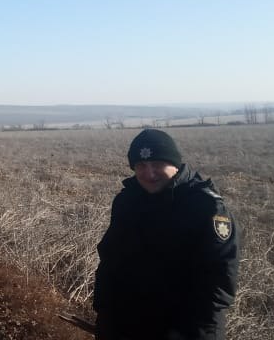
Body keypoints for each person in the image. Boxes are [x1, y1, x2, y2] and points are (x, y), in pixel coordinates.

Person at [93, 129, 239, 340]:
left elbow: (218, 284)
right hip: (125, 325)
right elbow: (110, 258)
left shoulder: (206, 207)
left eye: (157, 164)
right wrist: (104, 312)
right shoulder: (127, 201)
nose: (149, 173)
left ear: (176, 164)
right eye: (141, 166)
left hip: (185, 331)